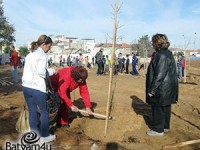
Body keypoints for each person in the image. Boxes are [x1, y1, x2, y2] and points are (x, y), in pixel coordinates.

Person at [22, 35, 57, 143]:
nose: (49, 49)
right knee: (44, 111)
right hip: (37, 88)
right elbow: (42, 72)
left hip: (26, 86)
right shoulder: (42, 55)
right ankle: (45, 136)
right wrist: (53, 71)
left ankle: (35, 135)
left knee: (32, 111)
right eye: (49, 46)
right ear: (44, 44)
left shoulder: (30, 55)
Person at [146, 33, 178, 136]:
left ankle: (158, 130)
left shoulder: (161, 55)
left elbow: (160, 74)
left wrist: (152, 89)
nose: (152, 44)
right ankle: (165, 126)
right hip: (168, 86)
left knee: (158, 107)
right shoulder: (168, 53)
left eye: (153, 42)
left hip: (162, 87)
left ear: (156, 43)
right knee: (166, 106)